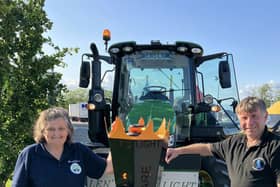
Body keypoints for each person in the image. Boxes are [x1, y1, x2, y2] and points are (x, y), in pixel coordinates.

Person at [165, 96, 280, 187]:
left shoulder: (275, 146)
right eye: (244, 118)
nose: (249, 123)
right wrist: (178, 151)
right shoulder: (234, 143)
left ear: (265, 117)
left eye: (254, 116)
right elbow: (206, 148)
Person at [12, 107, 113, 187]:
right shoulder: (30, 154)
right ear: (42, 131)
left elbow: (106, 169)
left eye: (61, 128)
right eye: (51, 129)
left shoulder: (79, 151)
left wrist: (117, 142)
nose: (56, 133)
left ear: (68, 130)